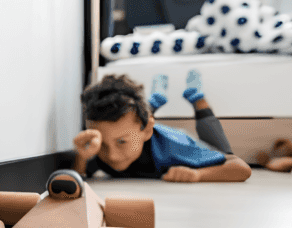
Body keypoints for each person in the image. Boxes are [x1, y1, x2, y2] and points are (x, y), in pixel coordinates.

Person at [73, 71, 252, 182]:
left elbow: (241, 168)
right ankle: (155, 98)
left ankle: (198, 98)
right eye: (103, 145)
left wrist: (198, 175)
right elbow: (78, 176)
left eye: (121, 142)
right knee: (135, 119)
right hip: (145, 129)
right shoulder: (100, 145)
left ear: (147, 131)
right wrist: (81, 158)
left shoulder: (176, 150)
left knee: (223, 149)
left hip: (177, 138)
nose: (111, 155)